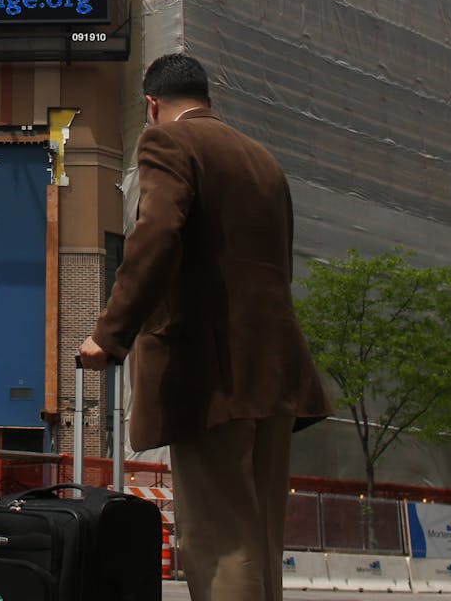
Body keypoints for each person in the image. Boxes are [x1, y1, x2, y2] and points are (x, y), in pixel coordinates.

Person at [78, 52, 330, 601]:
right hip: (276, 372)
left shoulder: (167, 143)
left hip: (210, 377)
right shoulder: (263, 159)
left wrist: (109, 333)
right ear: (207, 97)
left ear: (151, 105)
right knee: (260, 536)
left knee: (218, 541)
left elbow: (157, 234)